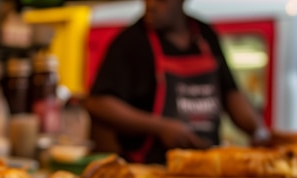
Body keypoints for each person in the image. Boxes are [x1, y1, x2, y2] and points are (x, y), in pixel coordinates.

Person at [84, 0, 268, 165]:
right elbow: (98, 103)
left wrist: (257, 129)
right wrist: (160, 127)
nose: (151, 5)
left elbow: (230, 92)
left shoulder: (205, 34)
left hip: (205, 164)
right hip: (151, 169)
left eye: (161, 1)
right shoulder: (131, 41)